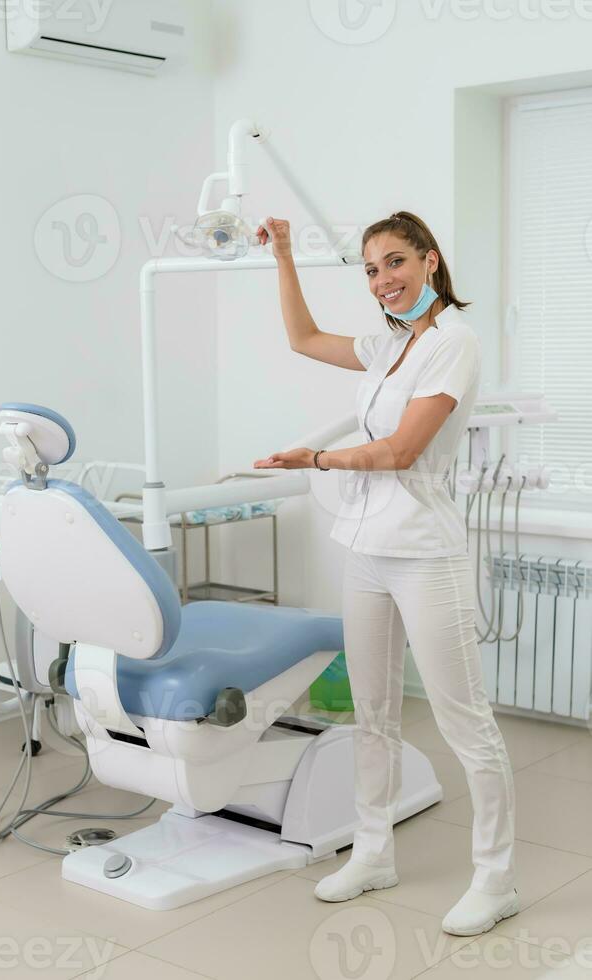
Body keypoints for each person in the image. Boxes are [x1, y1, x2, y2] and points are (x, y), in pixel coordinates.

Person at [253, 211, 519, 937]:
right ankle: (374, 852)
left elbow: (402, 451)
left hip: (425, 553)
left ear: (430, 262)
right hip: (367, 546)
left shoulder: (452, 344)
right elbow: (303, 339)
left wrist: (314, 460)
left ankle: (496, 878)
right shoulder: (389, 346)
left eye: (396, 263)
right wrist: (282, 256)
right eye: (371, 270)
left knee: (466, 721)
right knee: (371, 712)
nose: (383, 281)